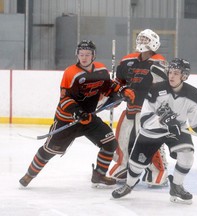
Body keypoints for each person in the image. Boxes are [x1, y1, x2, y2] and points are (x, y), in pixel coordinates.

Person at [111, 58, 197, 204]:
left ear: (184, 76)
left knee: (187, 155)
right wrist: (164, 121)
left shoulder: (193, 95)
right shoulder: (155, 90)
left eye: (176, 73)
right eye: (170, 72)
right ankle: (129, 185)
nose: (171, 76)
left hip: (177, 131)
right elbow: (145, 119)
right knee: (137, 164)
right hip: (151, 132)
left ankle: (177, 186)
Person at [19, 40, 135, 188]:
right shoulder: (71, 73)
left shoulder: (101, 70)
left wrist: (122, 90)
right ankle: (29, 175)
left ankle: (99, 175)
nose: (84, 58)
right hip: (68, 120)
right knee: (49, 151)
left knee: (110, 143)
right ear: (77, 55)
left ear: (93, 56)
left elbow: (109, 87)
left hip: (89, 118)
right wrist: (78, 112)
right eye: (81, 54)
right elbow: (65, 99)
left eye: (87, 54)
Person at [109, 29, 169, 186]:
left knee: (148, 142)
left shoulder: (159, 62)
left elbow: (163, 89)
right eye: (140, 39)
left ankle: (158, 170)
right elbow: (119, 82)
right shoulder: (128, 60)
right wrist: (117, 93)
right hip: (131, 108)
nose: (142, 42)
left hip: (149, 111)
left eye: (145, 39)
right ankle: (124, 166)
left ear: (154, 43)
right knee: (123, 138)